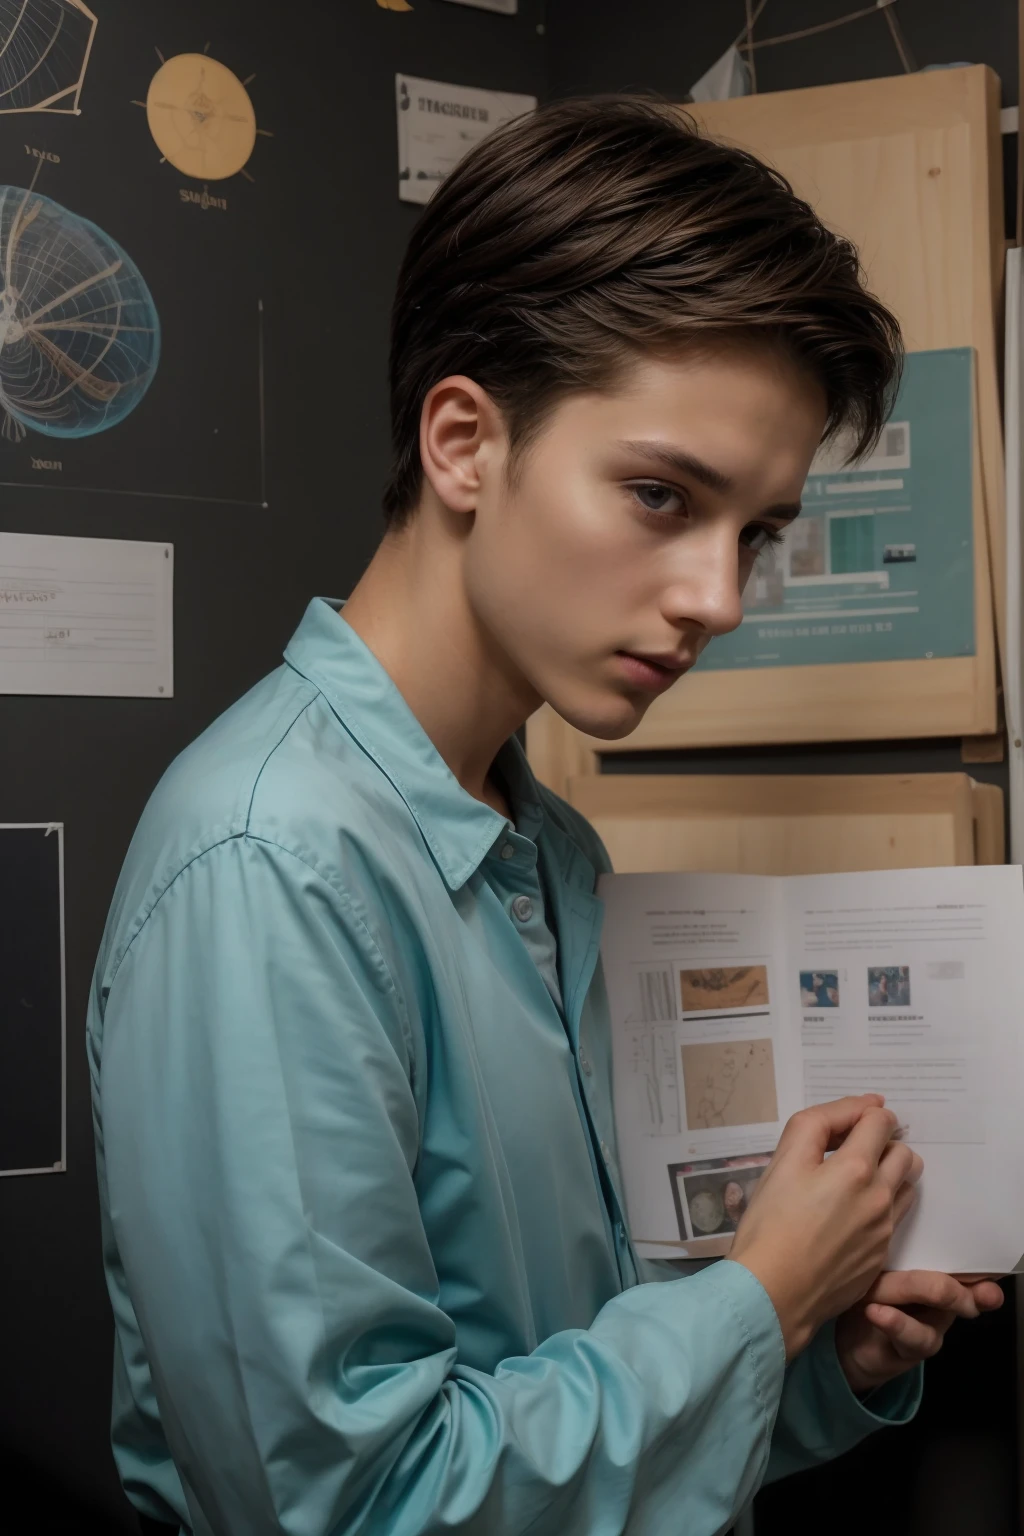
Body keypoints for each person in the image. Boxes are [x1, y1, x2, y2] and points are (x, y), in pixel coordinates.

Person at [87, 97, 1002, 1536]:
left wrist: (820, 1351)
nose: (716, 596)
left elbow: (575, 1389)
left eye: (755, 533)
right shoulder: (267, 866)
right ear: (464, 441)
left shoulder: (550, 850)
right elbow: (349, 1506)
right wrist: (762, 1299)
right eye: (659, 493)